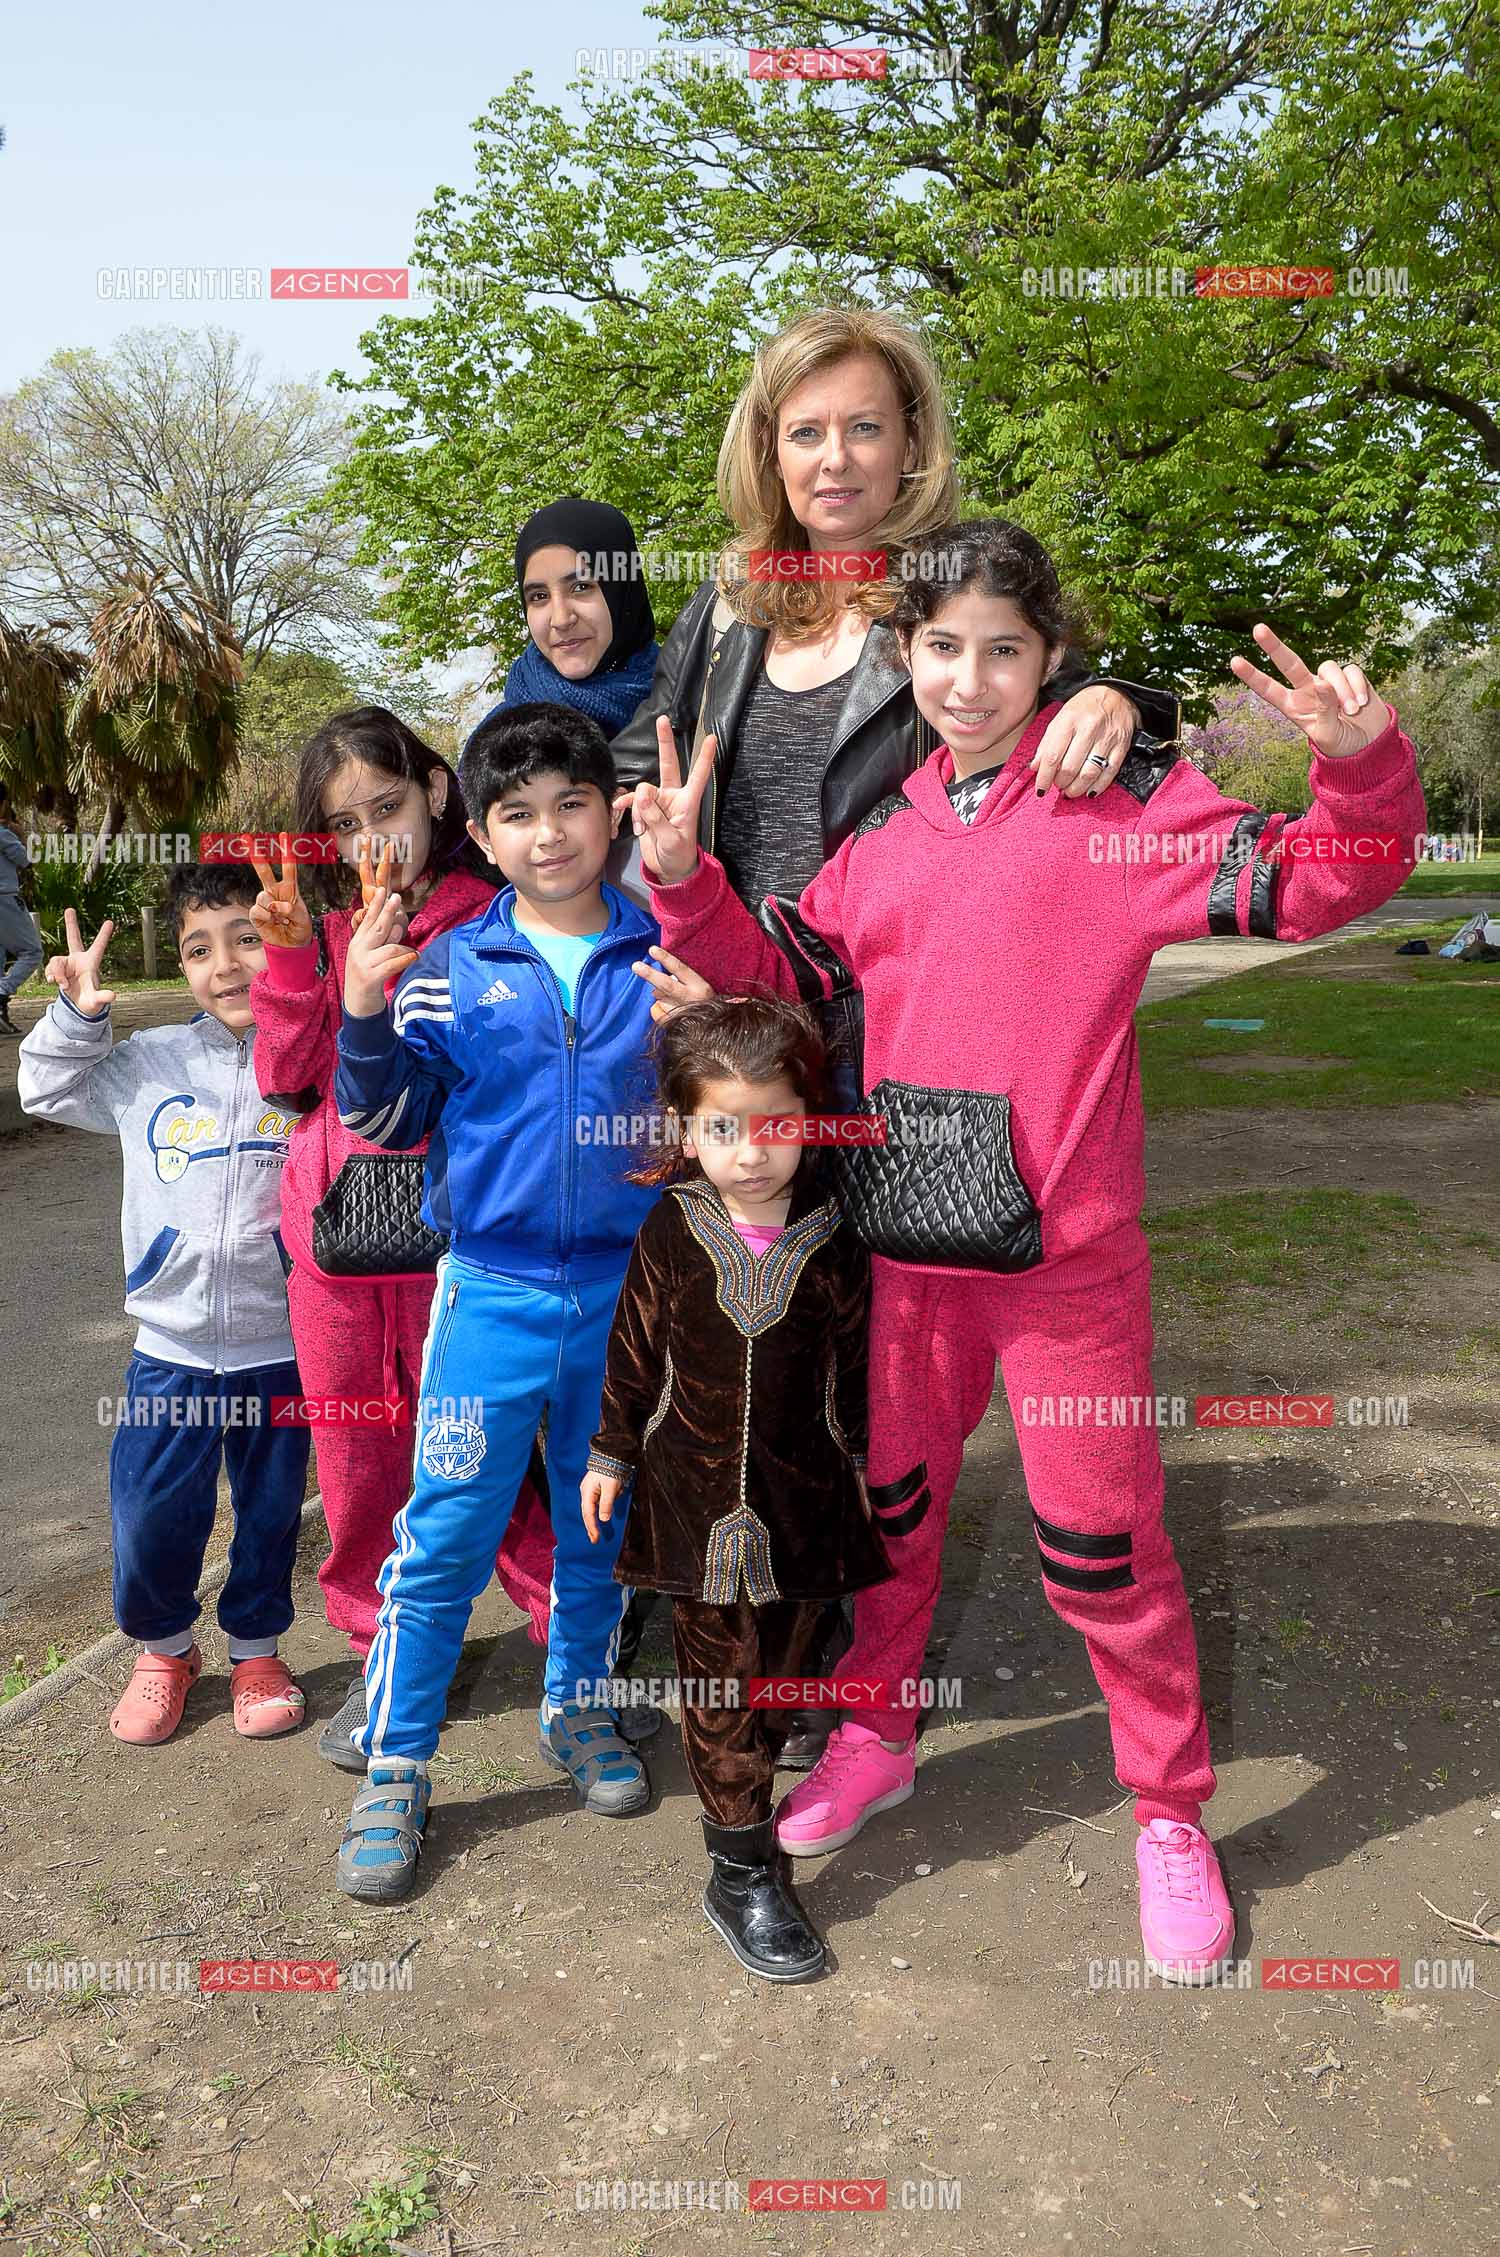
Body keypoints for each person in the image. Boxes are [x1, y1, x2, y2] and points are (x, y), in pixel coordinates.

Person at [630, 516, 1426, 1982]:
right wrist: (687, 884)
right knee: (893, 1519)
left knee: (1102, 1551)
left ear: (1052, 659)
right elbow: (791, 983)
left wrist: (1359, 759)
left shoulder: (1127, 809)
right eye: (943, 648)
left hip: (1067, 1283)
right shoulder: (885, 841)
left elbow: (1328, 880)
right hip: (906, 1265)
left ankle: (1171, 1813)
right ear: (906, 657)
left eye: (1006, 649)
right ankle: (877, 1732)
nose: (972, 678)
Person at [609, 305, 1181, 1767]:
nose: (837, 456)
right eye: (806, 429)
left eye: (867, 424)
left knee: (860, 1399)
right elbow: (649, 783)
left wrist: (1128, 696)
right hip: (745, 1027)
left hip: (904, 1057)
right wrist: (662, 905)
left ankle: (839, 1694)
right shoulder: (729, 609)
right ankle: (779, 1677)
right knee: (750, 1369)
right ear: (768, 447)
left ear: (913, 439)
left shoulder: (942, 602)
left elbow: (1068, 724)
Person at [327, 703, 668, 1901]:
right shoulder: (445, 974)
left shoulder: (661, 960)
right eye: (516, 814)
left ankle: (577, 1709)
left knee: (598, 1525)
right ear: (480, 829)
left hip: (628, 1306)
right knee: (449, 1535)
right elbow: (381, 1120)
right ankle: (398, 1761)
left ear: (611, 809)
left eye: (572, 803)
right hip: (492, 1299)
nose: (550, 833)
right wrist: (363, 1012)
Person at [247, 707, 561, 1772]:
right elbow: (289, 1083)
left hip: (456, 1251)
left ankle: (569, 1638)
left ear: (438, 792)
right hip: (335, 1255)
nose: (375, 838)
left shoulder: (501, 919)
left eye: (390, 806)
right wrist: (300, 971)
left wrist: (393, 987)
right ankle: (382, 1654)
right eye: (347, 824)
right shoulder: (321, 934)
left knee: (493, 1452)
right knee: (357, 1456)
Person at [582, 994, 891, 1982]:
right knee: (718, 1684)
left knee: (786, 1658)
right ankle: (741, 1869)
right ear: (684, 1128)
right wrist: (608, 1456)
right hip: (694, 1505)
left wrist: (867, 1468)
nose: (751, 1152)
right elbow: (631, 1356)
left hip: (804, 1511)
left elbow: (853, 1367)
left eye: (776, 1127)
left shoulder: (836, 1233)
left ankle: (761, 1762)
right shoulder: (672, 1228)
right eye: (723, 1128)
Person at [17, 865, 311, 1743]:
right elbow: (47, 1090)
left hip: (283, 1342)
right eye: (198, 948)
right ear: (181, 969)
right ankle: (165, 1649)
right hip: (171, 1350)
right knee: (149, 1516)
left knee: (270, 1511)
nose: (225, 964)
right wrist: (77, 1017)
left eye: (247, 937)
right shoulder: (149, 1064)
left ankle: (256, 1647)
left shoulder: (310, 1061)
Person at [472, 496, 660, 739]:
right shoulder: (498, 746)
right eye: (539, 596)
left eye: (581, 587)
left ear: (623, 591)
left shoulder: (695, 711)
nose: (561, 619)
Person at [0, 787, 43, 1037]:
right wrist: (20, 833)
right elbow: (28, 859)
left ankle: (1, 1018)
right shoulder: (4, 834)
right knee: (32, 951)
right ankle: (2, 992)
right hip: (5, 898)